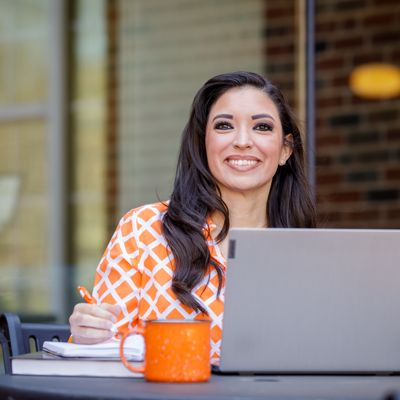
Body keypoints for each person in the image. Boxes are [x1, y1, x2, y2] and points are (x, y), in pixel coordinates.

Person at [69, 71, 317, 364]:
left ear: (285, 150)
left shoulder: (308, 252)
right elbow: (100, 353)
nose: (242, 141)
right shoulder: (143, 230)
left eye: (261, 127)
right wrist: (89, 332)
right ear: (202, 143)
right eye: (224, 126)